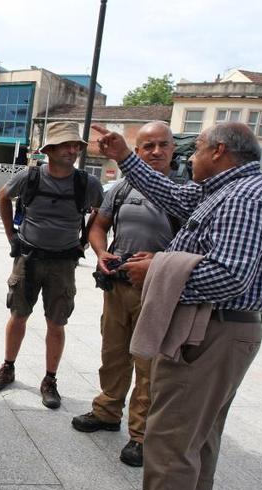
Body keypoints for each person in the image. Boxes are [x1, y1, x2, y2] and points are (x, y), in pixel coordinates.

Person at [94, 121, 262, 490]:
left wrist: (157, 271)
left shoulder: (244, 197)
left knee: (171, 440)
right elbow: (172, 194)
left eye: (196, 148)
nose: (190, 156)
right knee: (195, 439)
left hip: (213, 330)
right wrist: (123, 155)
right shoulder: (227, 190)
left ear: (218, 152)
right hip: (216, 328)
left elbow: (229, 276)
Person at [70, 121, 180, 468]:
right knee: (113, 352)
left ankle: (141, 435)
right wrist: (101, 252)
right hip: (118, 286)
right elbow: (98, 226)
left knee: (149, 365)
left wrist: (161, 263)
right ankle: (106, 410)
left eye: (163, 145)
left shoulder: (184, 190)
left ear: (173, 150)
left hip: (158, 292)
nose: (156, 152)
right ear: (138, 149)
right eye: (148, 146)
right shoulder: (122, 187)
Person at [0, 121, 103, 410]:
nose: (73, 149)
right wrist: (11, 235)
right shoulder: (30, 176)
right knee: (18, 314)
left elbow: (102, 211)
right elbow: (3, 196)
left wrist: (84, 241)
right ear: (49, 149)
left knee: (57, 322)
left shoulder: (86, 183)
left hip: (63, 262)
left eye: (76, 145)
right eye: (67, 145)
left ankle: (50, 379)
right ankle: (8, 367)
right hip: (28, 258)